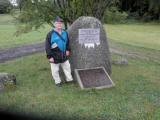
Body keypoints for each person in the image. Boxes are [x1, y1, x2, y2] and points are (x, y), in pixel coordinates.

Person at [45, 16, 73, 87]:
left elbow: (68, 42)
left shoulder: (65, 33)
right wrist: (50, 56)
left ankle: (69, 80)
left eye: (61, 23)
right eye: (57, 23)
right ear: (54, 24)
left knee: (67, 68)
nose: (59, 24)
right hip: (54, 55)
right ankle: (58, 82)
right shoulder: (50, 34)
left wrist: (68, 50)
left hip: (64, 54)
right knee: (55, 70)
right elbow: (47, 46)